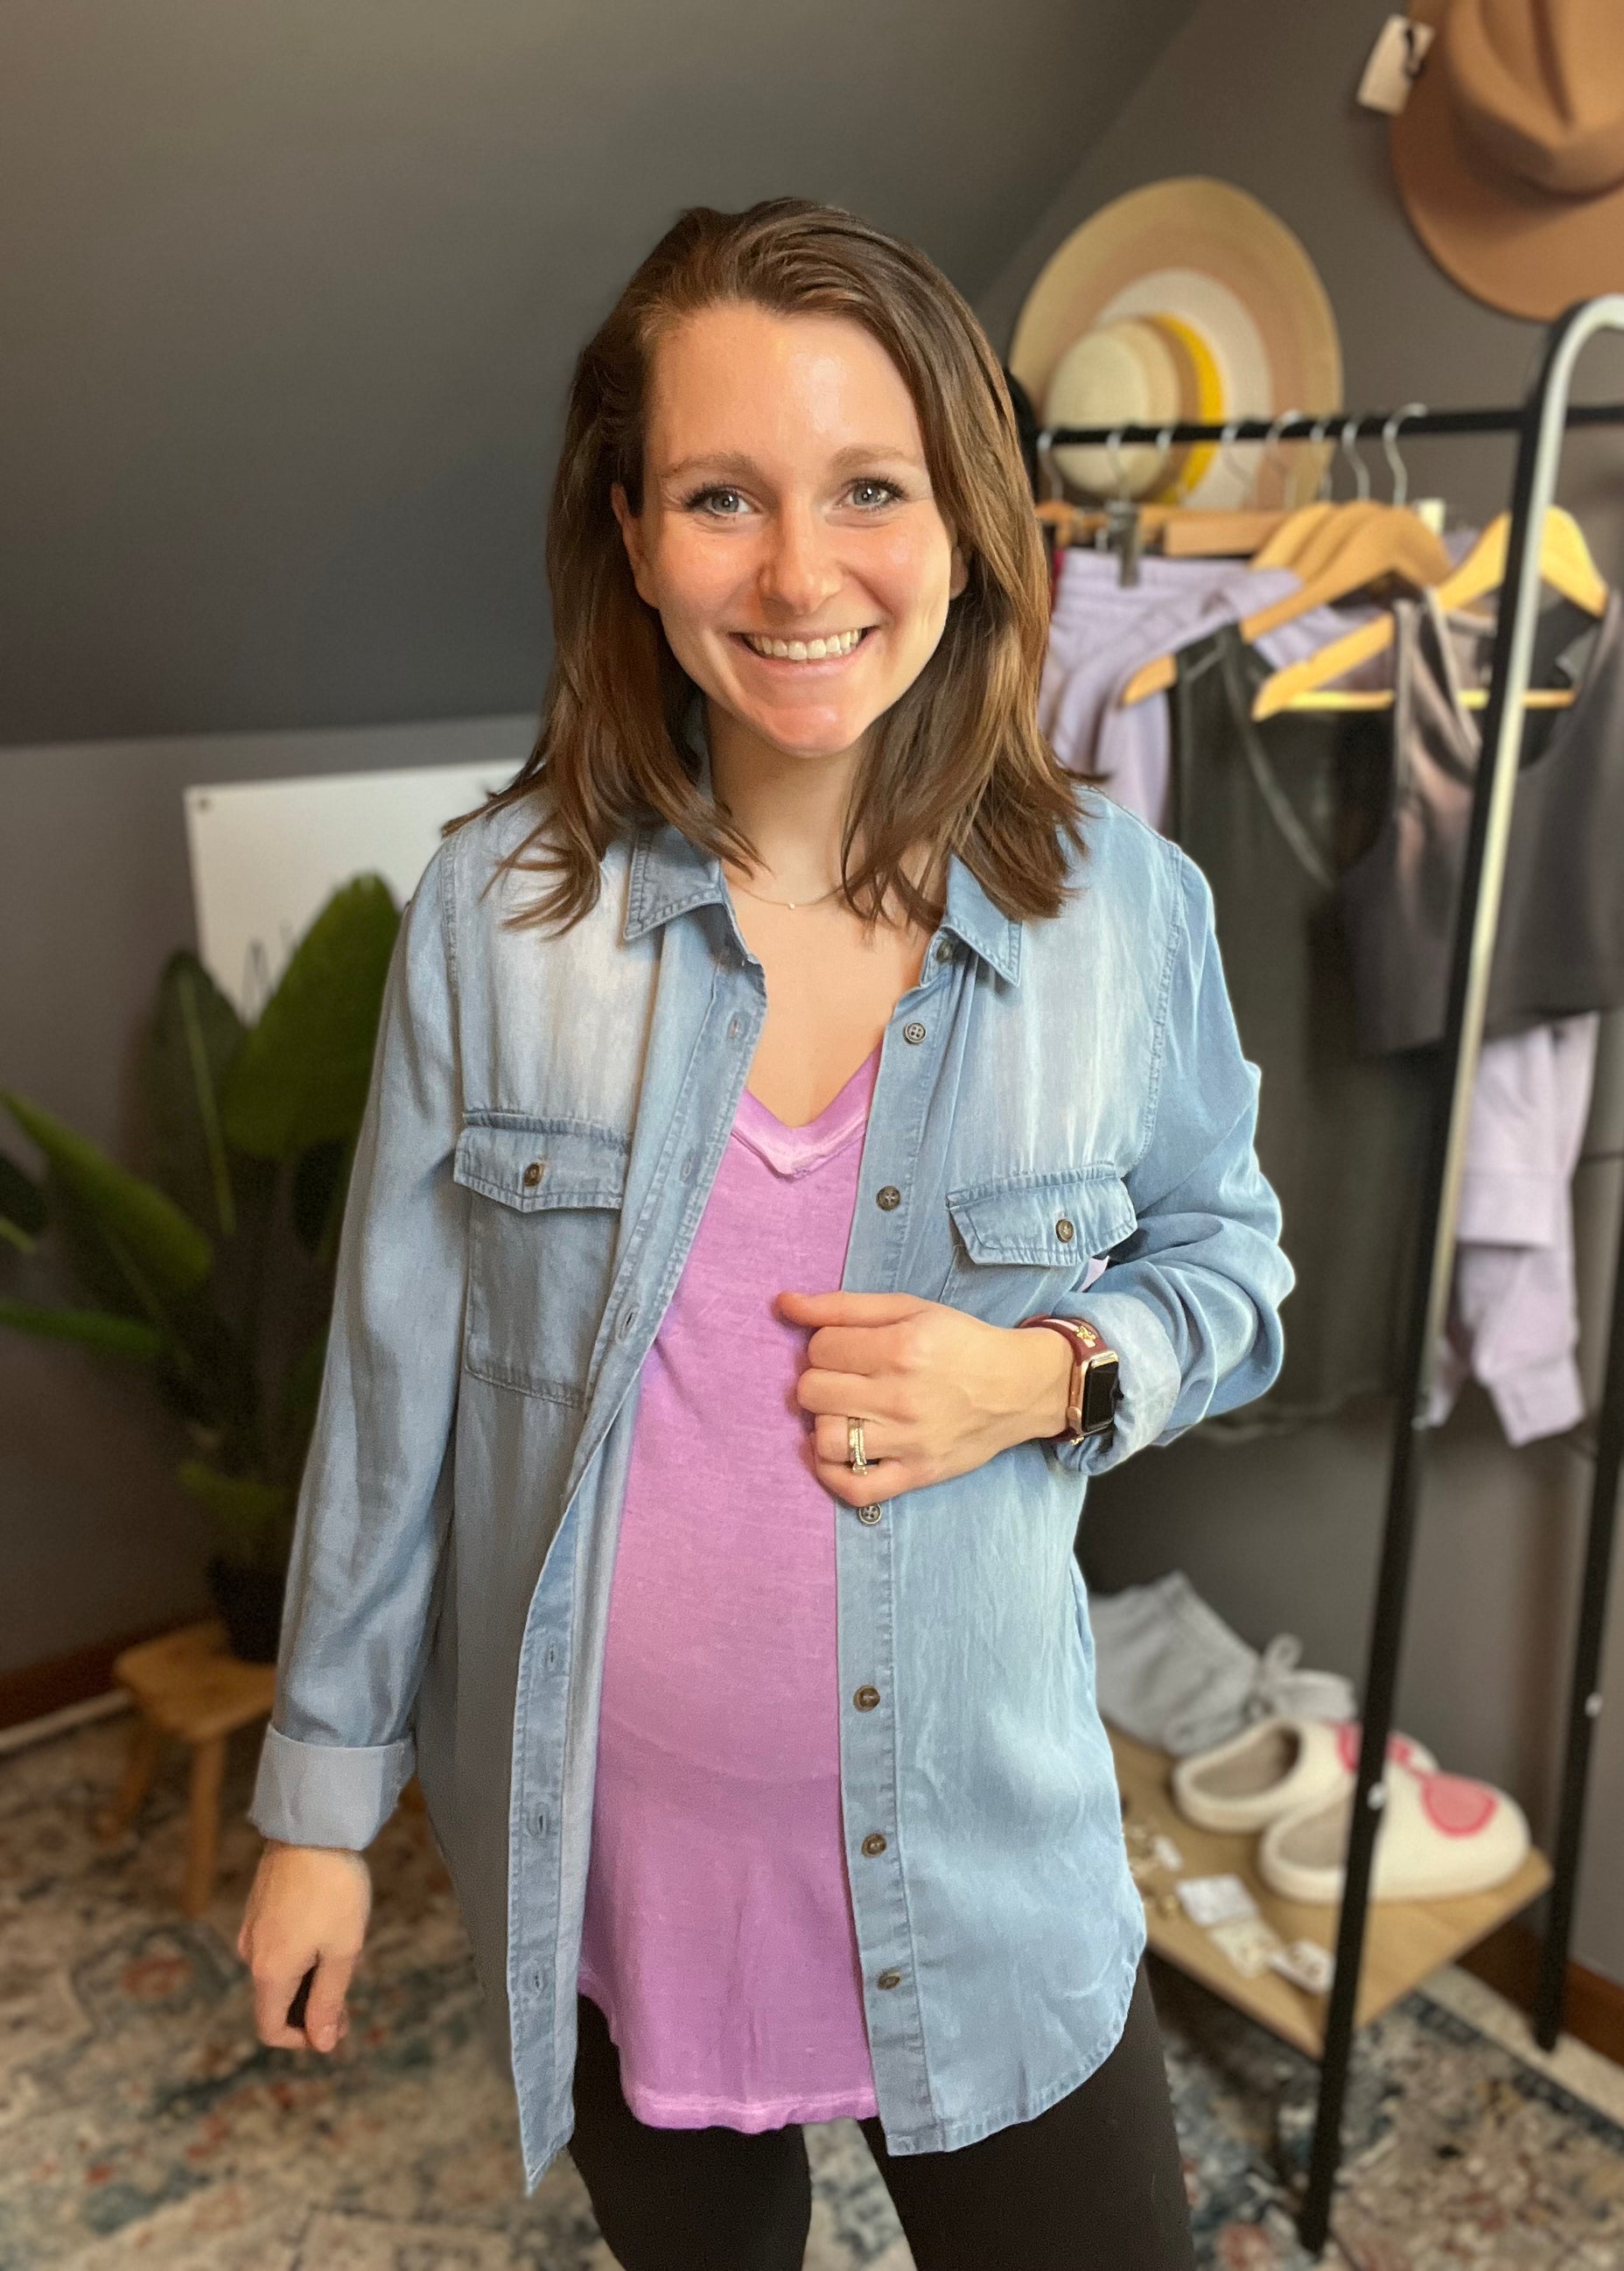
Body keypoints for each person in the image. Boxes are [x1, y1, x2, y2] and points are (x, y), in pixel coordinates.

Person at [236, 197, 1292, 2270]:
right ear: (631, 535)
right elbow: (390, 1393)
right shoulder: (497, 919)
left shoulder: (1124, 920)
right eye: (722, 495)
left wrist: (1044, 1368)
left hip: (988, 1880)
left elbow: (1232, 1271)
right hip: (621, 1894)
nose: (801, 573)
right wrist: (315, 1814)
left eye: (869, 488)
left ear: (970, 521)